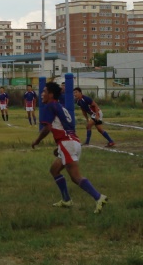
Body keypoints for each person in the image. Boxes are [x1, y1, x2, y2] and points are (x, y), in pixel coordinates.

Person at [31, 82, 109, 213]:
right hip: (72, 143)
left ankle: (99, 197)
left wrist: (37, 140)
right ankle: (66, 200)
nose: (42, 94)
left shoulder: (50, 106)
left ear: (50, 94)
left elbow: (47, 128)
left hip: (68, 144)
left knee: (75, 177)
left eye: (44, 91)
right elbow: (66, 128)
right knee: (54, 170)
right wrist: (60, 147)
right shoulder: (61, 107)